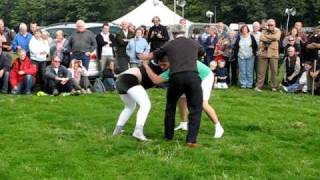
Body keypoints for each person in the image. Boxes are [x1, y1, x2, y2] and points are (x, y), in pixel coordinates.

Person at [139, 25, 203, 147]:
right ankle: (191, 140)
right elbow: (202, 52)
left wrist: (143, 57)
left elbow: (154, 54)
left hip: (176, 77)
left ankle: (168, 136)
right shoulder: (193, 43)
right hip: (192, 76)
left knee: (171, 106)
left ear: (173, 33)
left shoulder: (169, 44)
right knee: (195, 108)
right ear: (183, 32)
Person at [142, 56, 224, 138]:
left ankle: (218, 127)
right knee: (181, 98)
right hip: (190, 77)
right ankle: (183, 124)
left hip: (205, 76)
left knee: (202, 103)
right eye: (160, 65)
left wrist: (146, 66)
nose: (162, 67)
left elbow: (156, 80)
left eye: (164, 65)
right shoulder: (175, 62)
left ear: (171, 62)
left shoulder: (174, 68)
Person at [255, 19, 281, 92]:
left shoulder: (278, 31)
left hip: (273, 53)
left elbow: (276, 38)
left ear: (274, 25)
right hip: (263, 52)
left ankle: (274, 86)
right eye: (268, 25)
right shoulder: (263, 31)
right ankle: (259, 86)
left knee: (274, 71)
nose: (270, 26)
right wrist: (270, 38)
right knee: (261, 71)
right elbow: (261, 38)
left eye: (271, 25)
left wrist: (266, 37)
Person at [234, 24, 258, 88]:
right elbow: (236, 46)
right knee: (242, 71)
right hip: (241, 56)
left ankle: (250, 84)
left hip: (250, 56)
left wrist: (253, 53)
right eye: (243, 29)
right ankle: (243, 84)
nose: (244, 30)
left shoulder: (251, 36)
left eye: (245, 29)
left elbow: (255, 46)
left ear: (247, 30)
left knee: (249, 71)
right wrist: (237, 54)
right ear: (241, 30)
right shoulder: (239, 37)